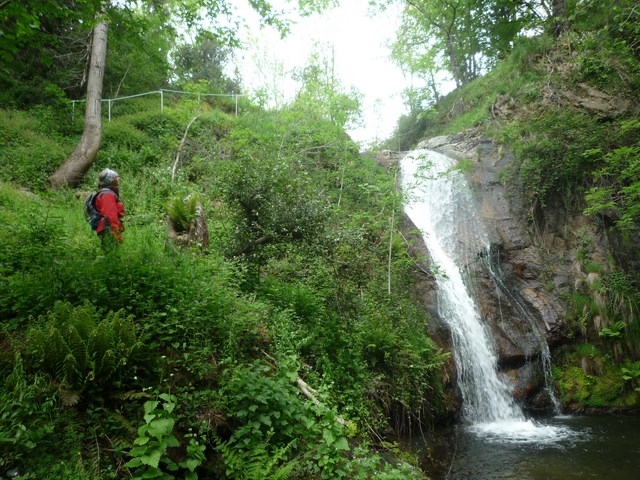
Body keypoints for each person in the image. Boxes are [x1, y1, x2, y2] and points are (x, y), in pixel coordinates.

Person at [95, 168, 125, 249]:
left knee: (109, 254)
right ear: (110, 180)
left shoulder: (107, 192)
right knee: (111, 253)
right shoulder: (107, 194)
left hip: (107, 228)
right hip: (108, 229)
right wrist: (116, 233)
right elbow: (109, 215)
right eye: (116, 177)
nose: (118, 178)